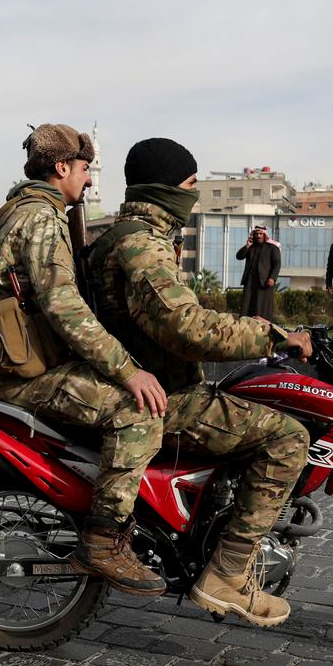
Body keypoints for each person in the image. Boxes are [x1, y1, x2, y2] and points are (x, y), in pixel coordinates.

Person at [88, 137, 312, 627]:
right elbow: (183, 326)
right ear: (165, 187)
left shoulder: (131, 234)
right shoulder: (139, 242)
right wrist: (273, 336)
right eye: (190, 186)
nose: (193, 196)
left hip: (149, 384)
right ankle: (227, 576)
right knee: (288, 437)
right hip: (159, 396)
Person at [0, 123, 168, 597]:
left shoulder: (18, 208)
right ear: (61, 167)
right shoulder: (41, 218)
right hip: (18, 373)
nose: (89, 180)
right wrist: (128, 369)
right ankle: (103, 541)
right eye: (84, 168)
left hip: (13, 361)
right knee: (136, 410)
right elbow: (64, 308)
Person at [236, 225, 281, 319]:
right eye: (256, 234)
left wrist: (272, 278)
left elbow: (277, 264)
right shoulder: (250, 247)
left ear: (265, 235)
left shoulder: (272, 248)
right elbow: (239, 256)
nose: (258, 236)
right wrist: (247, 246)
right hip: (250, 282)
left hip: (264, 282)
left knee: (262, 306)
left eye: (260, 234)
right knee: (247, 306)